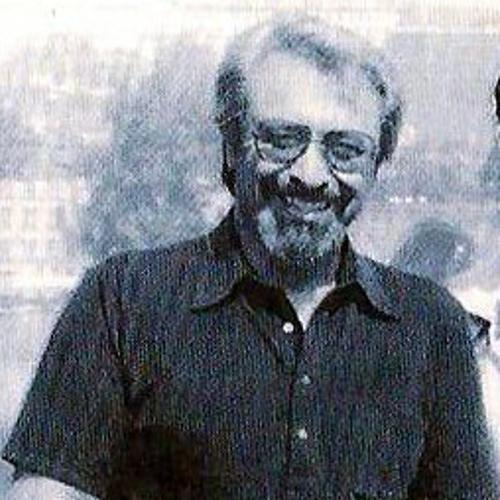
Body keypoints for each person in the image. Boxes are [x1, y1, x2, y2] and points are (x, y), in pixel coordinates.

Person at [3, 15, 498, 500]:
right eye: (281, 140)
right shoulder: (122, 301)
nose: (310, 176)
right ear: (230, 149)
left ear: (377, 165)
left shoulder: (432, 324)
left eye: (345, 149)